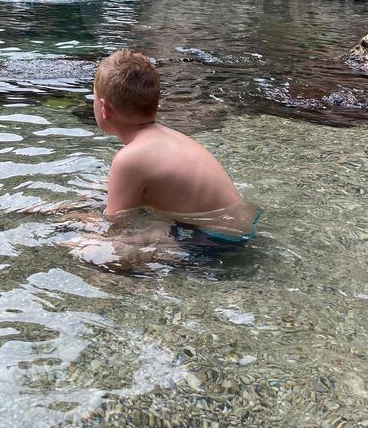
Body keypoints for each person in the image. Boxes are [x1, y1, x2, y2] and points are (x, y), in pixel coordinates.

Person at [64, 49, 262, 266]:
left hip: (214, 241)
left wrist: (75, 220)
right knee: (101, 189)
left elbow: (115, 225)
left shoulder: (129, 159)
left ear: (104, 108)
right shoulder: (168, 137)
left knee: (90, 250)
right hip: (238, 227)